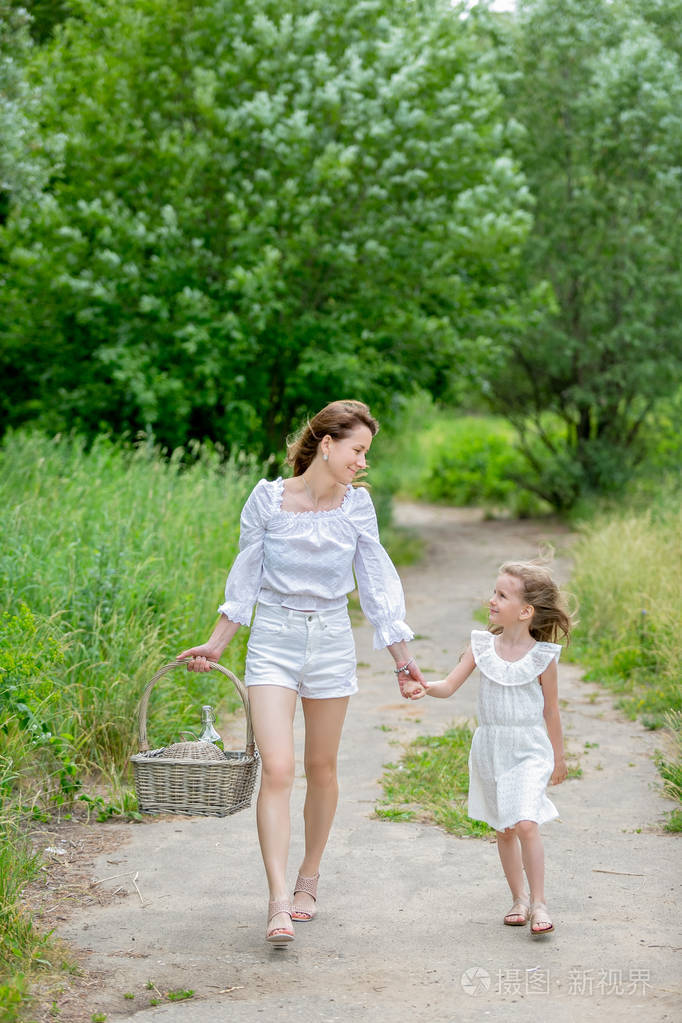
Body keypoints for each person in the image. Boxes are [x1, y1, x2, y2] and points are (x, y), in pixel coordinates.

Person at [177, 399, 424, 947]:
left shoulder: (357, 508)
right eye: (357, 450)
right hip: (274, 641)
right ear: (327, 443)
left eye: (367, 453)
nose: (363, 462)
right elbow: (244, 580)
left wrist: (404, 663)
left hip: (332, 640)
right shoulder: (267, 500)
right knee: (279, 768)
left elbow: (378, 589)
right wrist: (218, 645)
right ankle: (276, 901)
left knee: (322, 766)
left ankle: (308, 879)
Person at [420, 560, 572, 937]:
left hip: (528, 748)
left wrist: (559, 756)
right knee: (504, 829)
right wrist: (421, 684)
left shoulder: (542, 657)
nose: (491, 600)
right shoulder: (481, 647)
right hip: (490, 748)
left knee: (525, 822)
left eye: (501, 595)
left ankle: (539, 902)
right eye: (494, 592)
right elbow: (448, 686)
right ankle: (518, 899)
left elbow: (551, 710)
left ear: (525, 611)